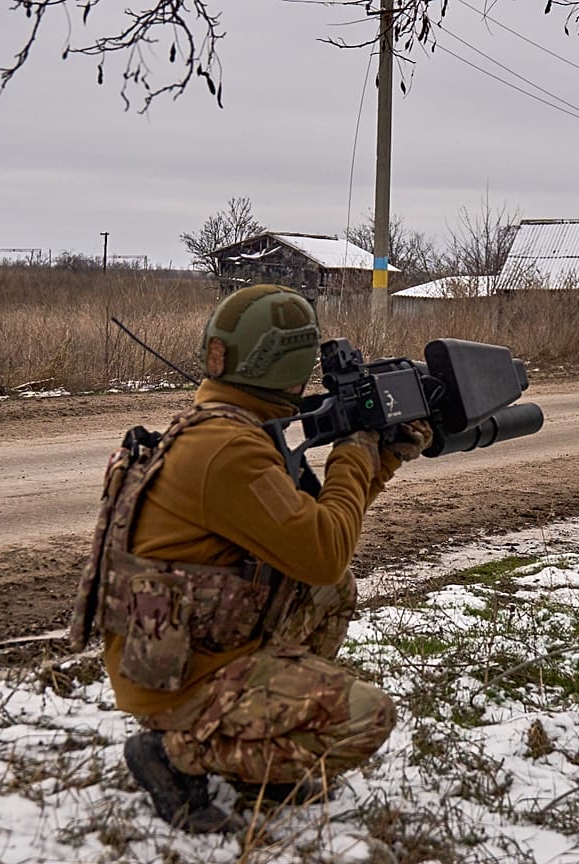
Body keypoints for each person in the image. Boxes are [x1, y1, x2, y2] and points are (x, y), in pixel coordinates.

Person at [69, 283, 430, 833]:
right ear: (288, 366)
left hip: (182, 649)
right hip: (179, 679)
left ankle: (252, 749)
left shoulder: (222, 426)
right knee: (365, 718)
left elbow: (314, 538)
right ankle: (179, 753)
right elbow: (325, 550)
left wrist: (378, 461)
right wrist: (356, 455)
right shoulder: (229, 451)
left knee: (332, 592)